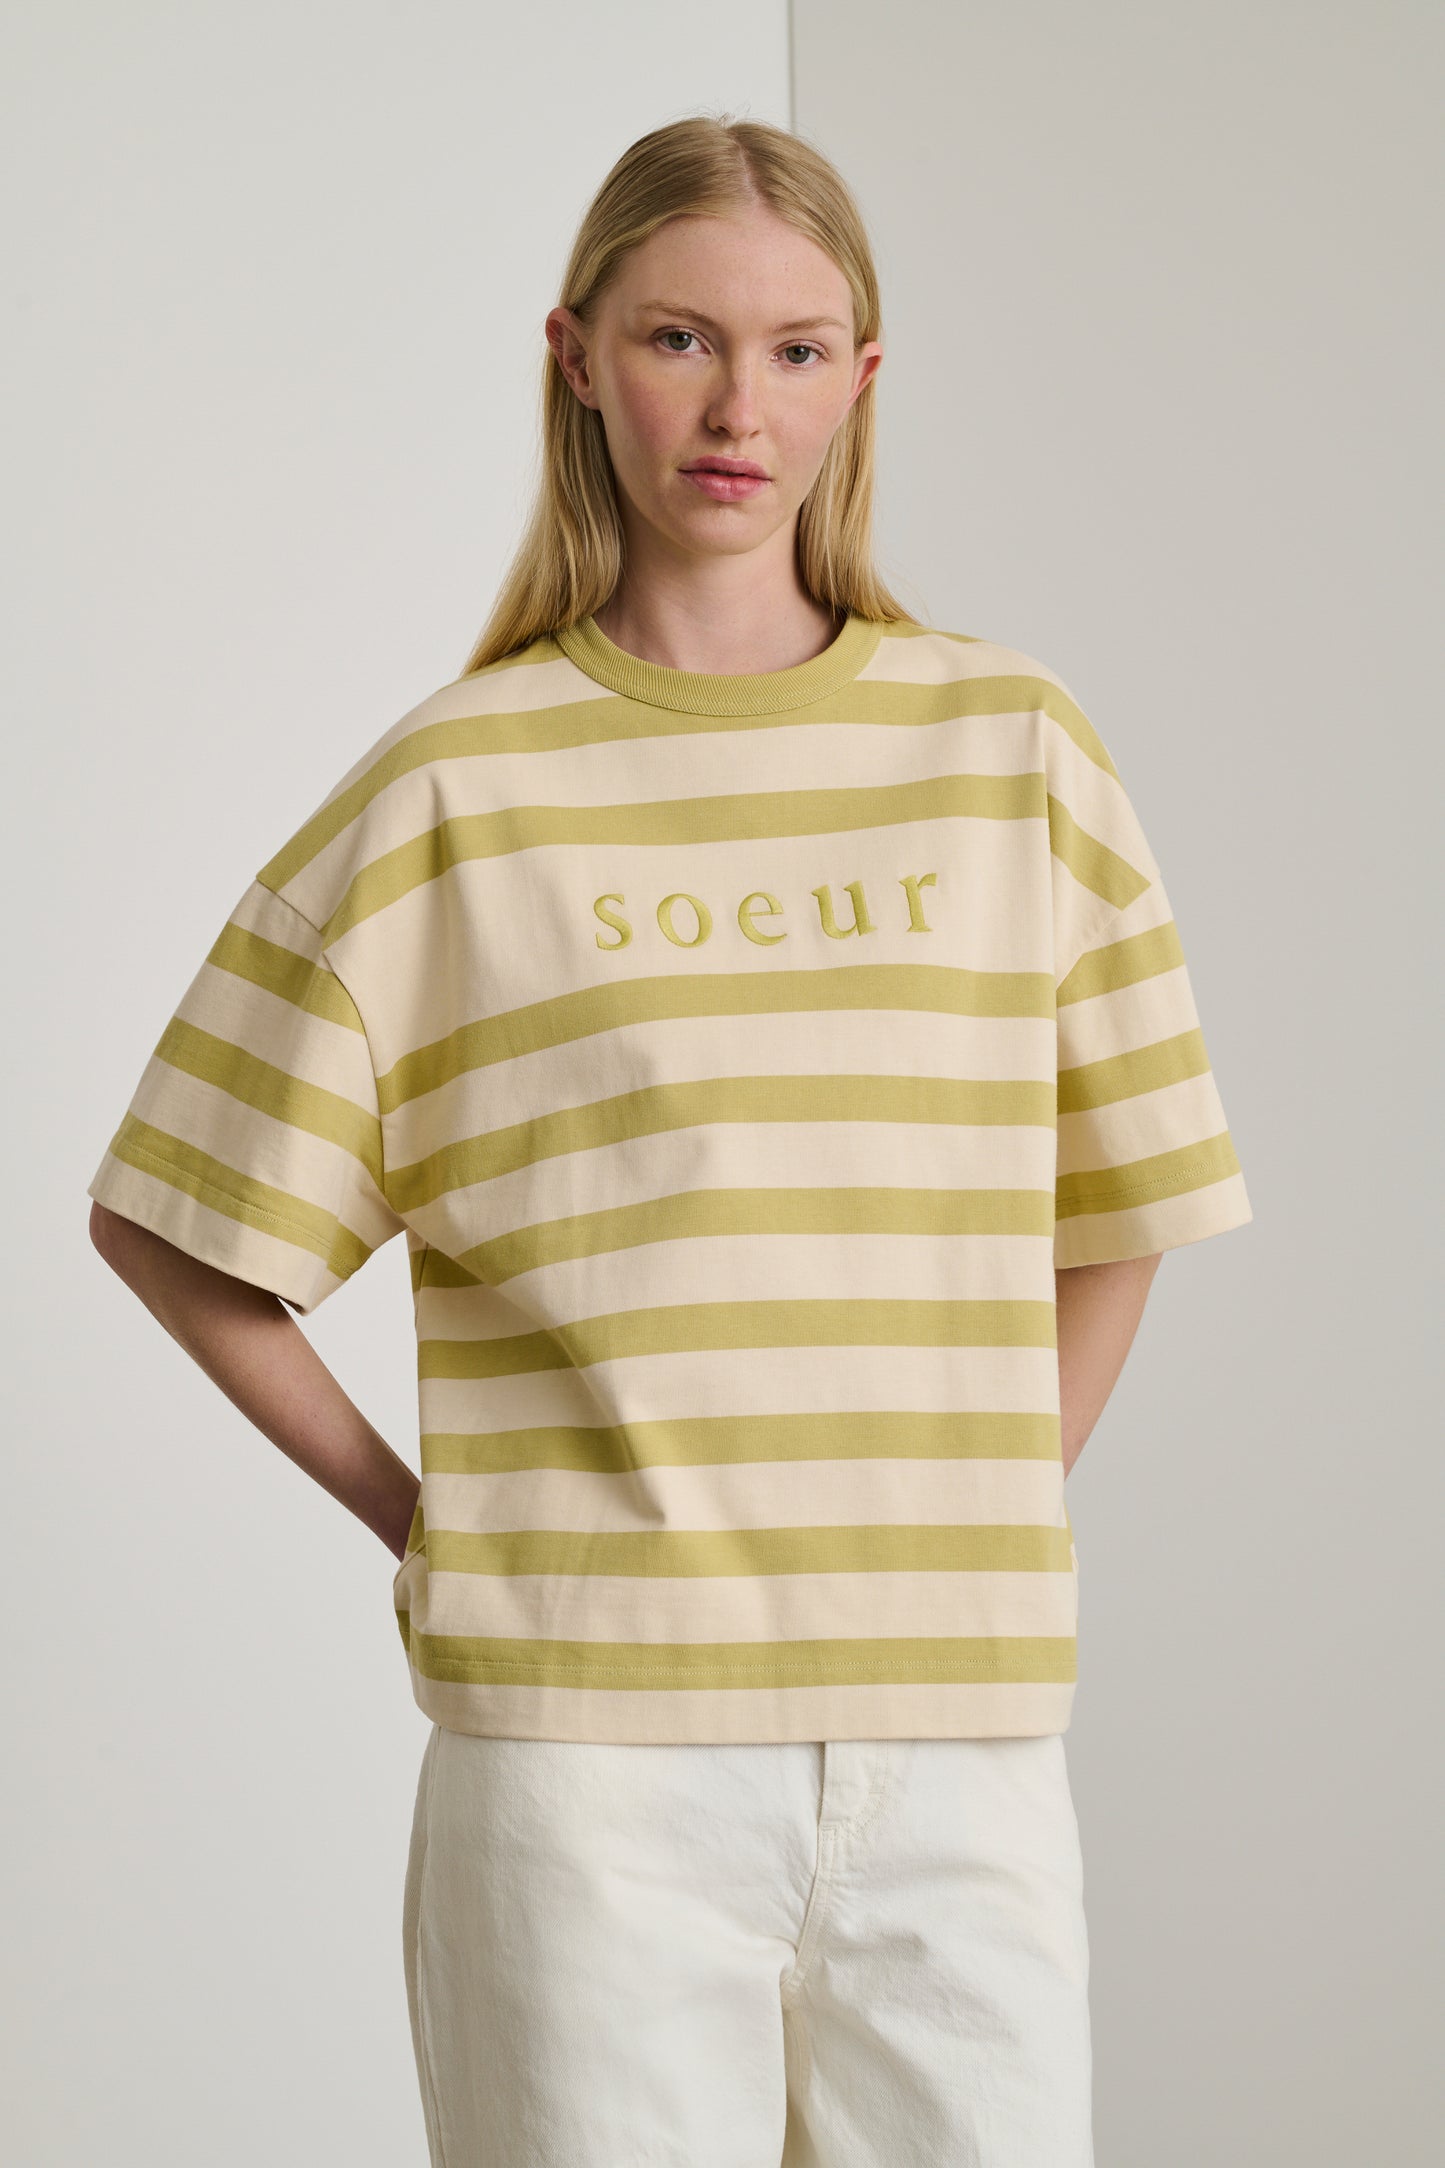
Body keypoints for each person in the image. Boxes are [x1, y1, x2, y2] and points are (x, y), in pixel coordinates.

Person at [87, 112, 1252, 2168]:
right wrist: (431, 1525)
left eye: (796, 350)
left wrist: (966, 1507)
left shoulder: (1013, 750)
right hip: (586, 1774)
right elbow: (174, 1217)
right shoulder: (460, 785)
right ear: (577, 357)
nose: (738, 408)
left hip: (961, 1745)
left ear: (862, 380)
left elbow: (1123, 1203)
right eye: (679, 339)